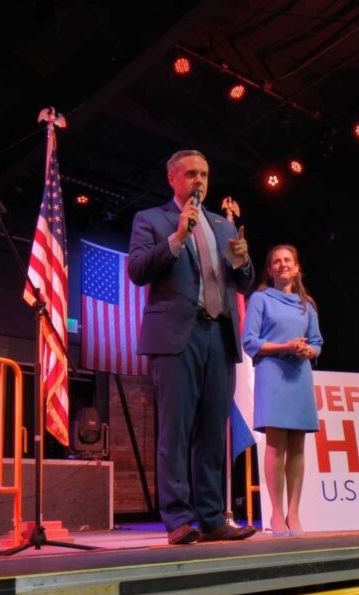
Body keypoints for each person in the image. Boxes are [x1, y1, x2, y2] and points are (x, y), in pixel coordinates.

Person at [127, 150, 257, 545]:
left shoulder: (222, 224)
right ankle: (180, 519)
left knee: (213, 432)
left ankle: (213, 517)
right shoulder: (151, 220)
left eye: (204, 174)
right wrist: (178, 236)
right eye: (190, 174)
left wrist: (245, 261)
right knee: (176, 430)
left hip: (219, 335)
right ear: (173, 178)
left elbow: (243, 282)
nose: (198, 181)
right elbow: (137, 270)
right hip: (176, 336)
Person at [242, 245, 323, 535]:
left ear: (297, 267)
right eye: (276, 261)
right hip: (272, 372)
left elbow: (317, 342)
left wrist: (307, 352)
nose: (282, 264)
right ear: (270, 270)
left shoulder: (307, 304)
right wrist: (285, 347)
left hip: (299, 375)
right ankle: (277, 514)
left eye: (287, 260)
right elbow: (249, 341)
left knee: (298, 445)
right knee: (276, 444)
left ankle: (294, 513)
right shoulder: (260, 299)